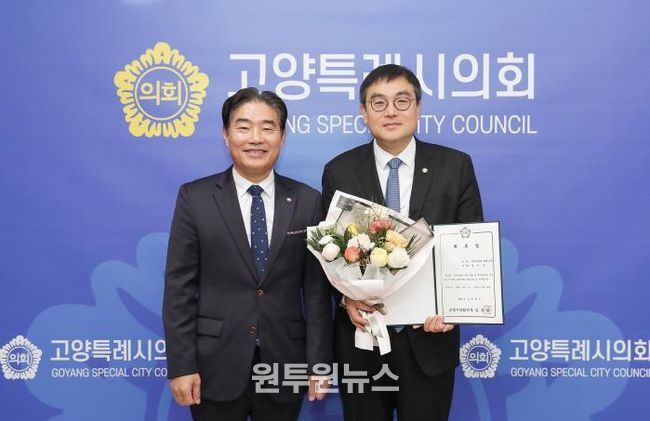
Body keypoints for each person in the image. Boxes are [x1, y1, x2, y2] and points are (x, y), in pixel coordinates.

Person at [321, 64, 483, 420]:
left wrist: (453, 309)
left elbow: (469, 246)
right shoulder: (339, 171)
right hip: (362, 340)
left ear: (418, 107)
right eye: (378, 103)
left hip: (429, 339)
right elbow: (328, 252)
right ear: (364, 112)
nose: (390, 111)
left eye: (402, 101)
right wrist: (347, 298)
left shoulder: (455, 167)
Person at [163, 87, 332, 421]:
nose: (256, 138)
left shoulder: (308, 201)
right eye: (243, 127)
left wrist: (319, 364)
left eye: (268, 128)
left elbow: (316, 292)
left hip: (285, 363)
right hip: (214, 365)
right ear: (226, 135)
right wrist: (181, 366)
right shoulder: (195, 198)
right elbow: (179, 288)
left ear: (282, 136)